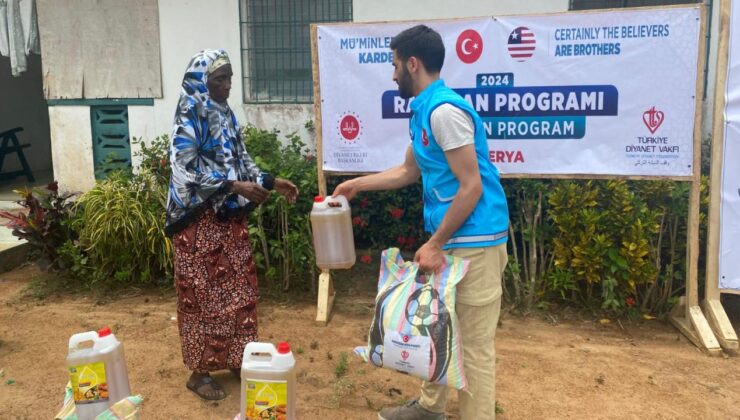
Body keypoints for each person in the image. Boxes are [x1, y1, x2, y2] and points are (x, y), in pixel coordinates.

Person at [332, 25, 509, 419]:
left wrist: (434, 242)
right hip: (452, 240)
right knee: (438, 328)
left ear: (413, 64)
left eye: (395, 65)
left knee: (474, 347)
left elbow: (471, 187)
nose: (392, 74)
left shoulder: (445, 113)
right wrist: (356, 185)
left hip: (477, 242)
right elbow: (409, 171)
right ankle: (430, 410)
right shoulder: (424, 112)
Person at [165, 49, 298, 400]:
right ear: (201, 82)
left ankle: (238, 357)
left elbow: (241, 158)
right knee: (202, 296)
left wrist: (270, 180)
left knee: (239, 294)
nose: (227, 86)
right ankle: (199, 371)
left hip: (228, 219)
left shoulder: (225, 114)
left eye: (229, 78)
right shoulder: (188, 115)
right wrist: (232, 186)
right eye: (219, 79)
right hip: (198, 223)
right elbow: (183, 170)